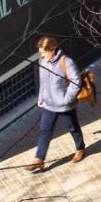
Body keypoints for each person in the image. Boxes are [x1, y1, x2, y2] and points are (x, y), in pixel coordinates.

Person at [28, 36, 85, 172]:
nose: (42, 55)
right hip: (49, 104)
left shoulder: (66, 62)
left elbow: (76, 82)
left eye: (44, 52)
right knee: (45, 130)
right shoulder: (43, 62)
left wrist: (67, 99)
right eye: (41, 52)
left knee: (72, 128)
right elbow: (43, 82)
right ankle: (39, 159)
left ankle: (80, 148)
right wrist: (41, 97)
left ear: (53, 49)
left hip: (64, 105)